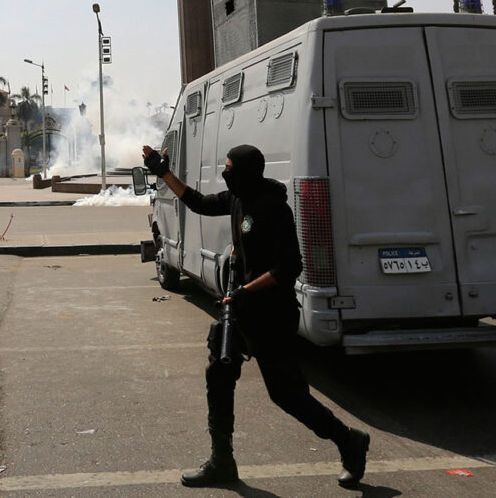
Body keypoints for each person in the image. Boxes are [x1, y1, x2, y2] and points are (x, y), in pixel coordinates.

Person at [142, 143, 370, 488]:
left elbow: (290, 265)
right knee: (219, 374)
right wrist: (163, 173)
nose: (224, 172)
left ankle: (348, 440)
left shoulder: (273, 208)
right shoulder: (237, 198)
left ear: (246, 172)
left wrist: (247, 291)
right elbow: (199, 202)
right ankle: (222, 462)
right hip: (241, 312)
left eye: (229, 167)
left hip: (272, 315)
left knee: (287, 395)